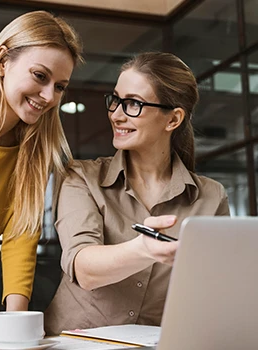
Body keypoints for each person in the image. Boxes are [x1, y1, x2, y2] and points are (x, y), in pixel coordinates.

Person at [44, 52, 230, 335]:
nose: (116, 114)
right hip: (76, 343)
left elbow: (214, 288)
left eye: (133, 103)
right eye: (116, 100)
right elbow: (83, 267)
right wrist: (143, 249)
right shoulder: (81, 177)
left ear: (173, 119)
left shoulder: (212, 197)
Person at [0, 10, 83, 334]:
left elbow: (19, 238)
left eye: (60, 86)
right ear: (2, 62)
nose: (49, 96)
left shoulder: (35, 151)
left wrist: (14, 326)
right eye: (40, 76)